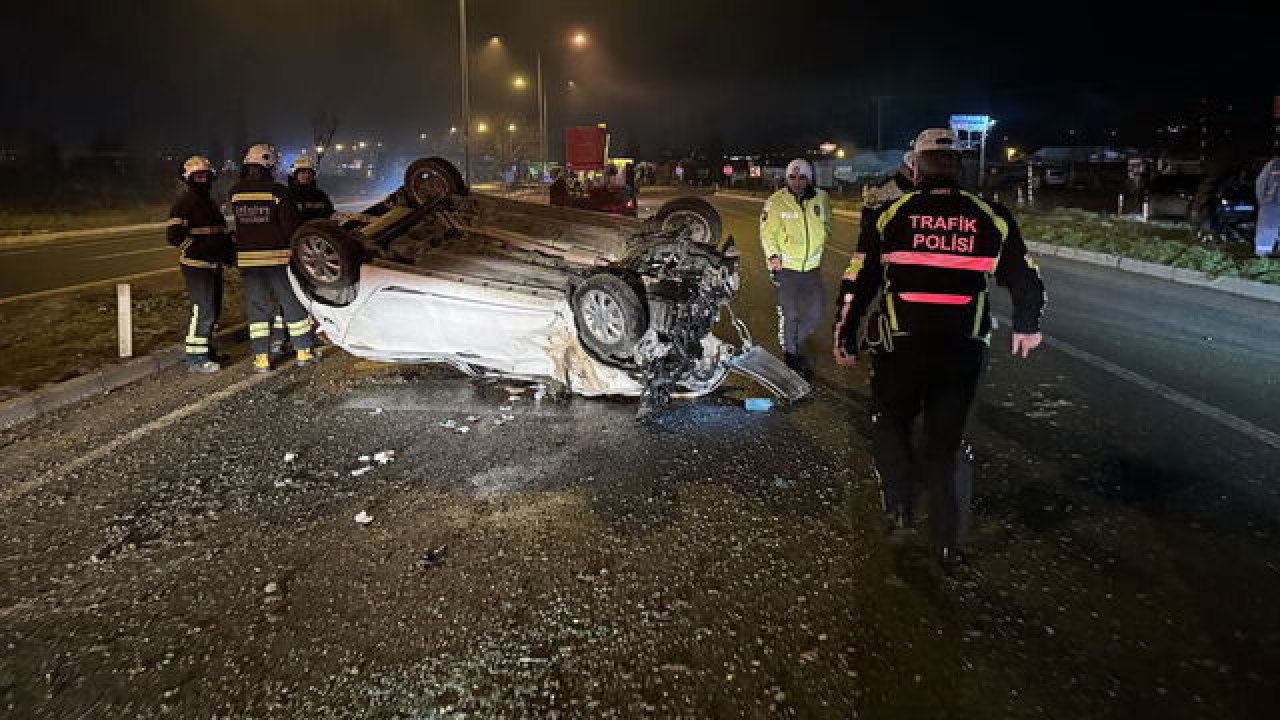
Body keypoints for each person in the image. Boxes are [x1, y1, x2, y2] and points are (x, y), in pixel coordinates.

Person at [832, 128, 1046, 567]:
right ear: (958, 165)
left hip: (901, 347)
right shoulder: (991, 215)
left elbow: (860, 280)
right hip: (962, 348)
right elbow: (1026, 277)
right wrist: (1027, 324)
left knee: (890, 423)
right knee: (945, 443)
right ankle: (947, 541)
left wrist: (847, 333)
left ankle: (898, 510)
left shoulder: (889, 214)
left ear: (916, 165)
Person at [228, 144, 318, 372]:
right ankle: (303, 351)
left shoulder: (235, 192)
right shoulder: (278, 192)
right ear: (268, 165)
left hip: (249, 261)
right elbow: (291, 227)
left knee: (257, 308)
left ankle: (261, 357)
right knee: (291, 303)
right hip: (277, 258)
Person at [759, 157, 832, 379]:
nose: (797, 182)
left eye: (802, 177)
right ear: (787, 178)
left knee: (815, 313)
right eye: (792, 177)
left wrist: (823, 237)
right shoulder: (776, 201)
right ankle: (790, 355)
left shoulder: (822, 198)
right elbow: (767, 233)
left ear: (809, 178)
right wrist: (773, 256)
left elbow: (827, 223)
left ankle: (794, 341)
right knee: (789, 314)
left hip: (811, 268)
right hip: (787, 269)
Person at [166, 156, 235, 373]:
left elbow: (218, 234)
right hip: (197, 266)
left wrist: (228, 253)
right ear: (189, 179)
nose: (203, 179)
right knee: (203, 309)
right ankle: (196, 358)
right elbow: (174, 236)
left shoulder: (210, 203)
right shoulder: (184, 204)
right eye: (198, 176)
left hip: (212, 265)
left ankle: (207, 350)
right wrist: (200, 250)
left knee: (212, 310)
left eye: (205, 176)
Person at [288, 156, 334, 222]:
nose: (307, 175)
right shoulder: (288, 195)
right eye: (303, 172)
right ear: (295, 175)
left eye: (310, 172)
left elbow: (330, 213)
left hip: (319, 230)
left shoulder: (320, 195)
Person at [1255, 152, 1280, 257]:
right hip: (1271, 205)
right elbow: (1261, 183)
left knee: (1267, 231)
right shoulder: (1273, 164)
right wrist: (1265, 201)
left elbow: (1260, 183)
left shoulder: (1273, 164)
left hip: (1271, 205)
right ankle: (1263, 259)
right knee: (1266, 233)